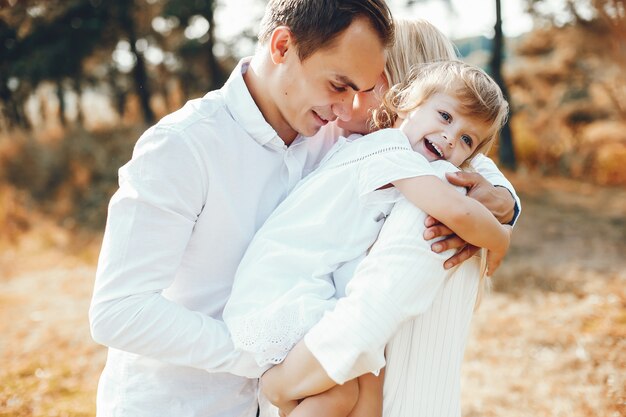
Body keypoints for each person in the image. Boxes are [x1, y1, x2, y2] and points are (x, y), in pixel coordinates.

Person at [88, 1, 394, 416]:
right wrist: (259, 352)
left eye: (360, 91)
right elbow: (119, 311)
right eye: (339, 85)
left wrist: (501, 203)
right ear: (283, 46)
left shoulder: (335, 145)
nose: (347, 109)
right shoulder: (182, 147)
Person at [223, 60, 510, 417]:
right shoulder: (388, 151)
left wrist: (506, 203)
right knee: (337, 396)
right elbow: (459, 212)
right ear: (406, 104)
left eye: (467, 139)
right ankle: (277, 385)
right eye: (446, 117)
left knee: (369, 386)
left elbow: (485, 188)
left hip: (306, 288)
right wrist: (500, 240)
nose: (452, 137)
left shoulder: (396, 160)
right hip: (282, 289)